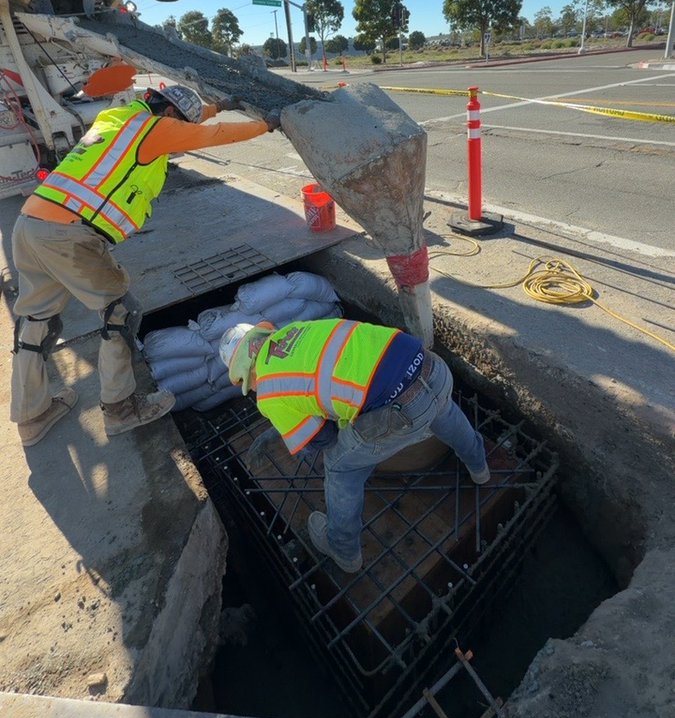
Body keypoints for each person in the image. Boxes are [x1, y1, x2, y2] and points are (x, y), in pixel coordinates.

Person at [11, 83, 276, 447]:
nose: (177, 132)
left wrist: (216, 106)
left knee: (37, 322)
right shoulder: (155, 128)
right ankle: (121, 410)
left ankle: (31, 415)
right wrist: (267, 125)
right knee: (120, 312)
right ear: (169, 115)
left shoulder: (117, 117)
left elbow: (195, 120)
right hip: (69, 235)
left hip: (29, 224)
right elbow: (211, 135)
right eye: (179, 122)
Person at [220, 317, 490, 574]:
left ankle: (344, 551)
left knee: (339, 466)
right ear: (262, 336)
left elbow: (322, 439)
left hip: (403, 410)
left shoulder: (268, 390)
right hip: (434, 369)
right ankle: (479, 466)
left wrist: (336, 420)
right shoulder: (297, 330)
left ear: (245, 374)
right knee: (444, 411)